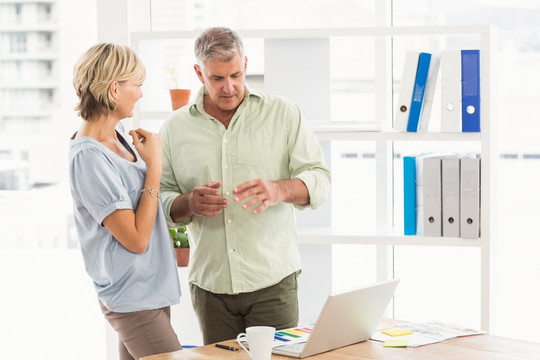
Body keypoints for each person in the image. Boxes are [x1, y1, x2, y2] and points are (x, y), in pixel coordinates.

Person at [159, 27, 331, 344]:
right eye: (217, 78)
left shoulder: (284, 113)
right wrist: (190, 203)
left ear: (246, 65)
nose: (229, 87)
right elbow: (161, 200)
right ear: (199, 73)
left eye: (236, 75)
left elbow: (320, 180)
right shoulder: (174, 128)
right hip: (211, 290)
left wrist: (281, 189)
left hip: (273, 283)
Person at [69, 43, 182, 360]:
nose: (141, 94)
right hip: (131, 295)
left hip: (150, 290)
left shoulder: (118, 135)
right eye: (138, 85)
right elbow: (135, 239)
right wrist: (154, 167)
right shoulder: (88, 157)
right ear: (115, 89)